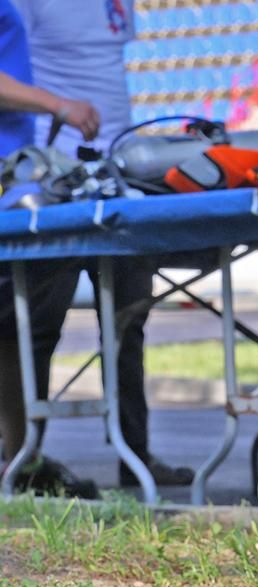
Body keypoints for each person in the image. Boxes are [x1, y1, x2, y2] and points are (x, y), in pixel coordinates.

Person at [0, 0, 193, 496]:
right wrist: (58, 108)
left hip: (116, 177)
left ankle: (136, 459)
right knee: (33, 326)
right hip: (51, 181)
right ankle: (24, 462)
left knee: (128, 323)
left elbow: (101, 70)